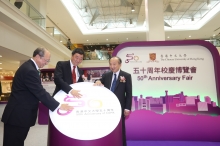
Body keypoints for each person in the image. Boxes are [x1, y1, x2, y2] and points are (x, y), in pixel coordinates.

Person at [1, 47, 73, 146]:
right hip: (18, 116)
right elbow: (40, 92)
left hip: (19, 116)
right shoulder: (29, 70)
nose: (47, 63)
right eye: (46, 60)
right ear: (38, 57)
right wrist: (58, 105)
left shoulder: (29, 67)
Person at [94, 56, 132, 146]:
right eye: (110, 64)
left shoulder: (126, 76)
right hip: (107, 106)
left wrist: (127, 108)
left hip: (120, 106)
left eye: (114, 64)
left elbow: (129, 93)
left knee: (120, 128)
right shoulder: (107, 75)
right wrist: (98, 81)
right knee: (107, 126)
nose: (112, 66)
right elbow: (98, 80)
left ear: (120, 64)